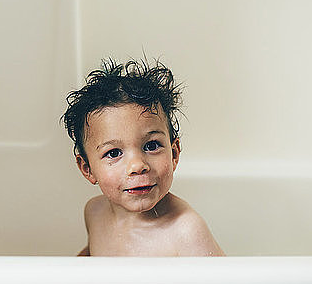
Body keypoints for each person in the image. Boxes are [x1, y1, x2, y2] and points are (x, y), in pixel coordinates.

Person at [62, 58, 225, 256]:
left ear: (174, 153)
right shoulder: (95, 213)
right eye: (113, 153)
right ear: (87, 169)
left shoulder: (186, 231)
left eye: (151, 145)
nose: (137, 165)